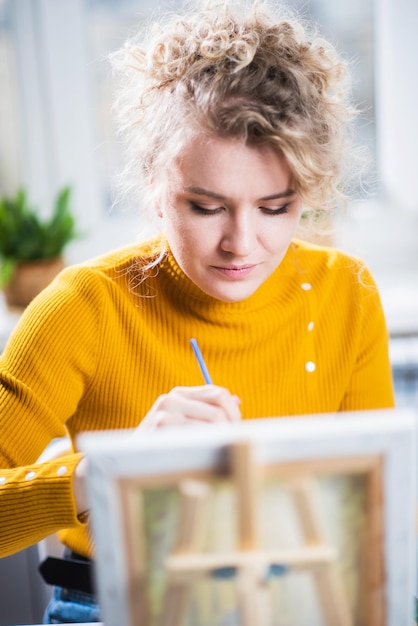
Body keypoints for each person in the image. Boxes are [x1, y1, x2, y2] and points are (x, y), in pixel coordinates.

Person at [0, 1, 394, 622]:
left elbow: (376, 509)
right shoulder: (84, 305)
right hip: (113, 603)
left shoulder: (347, 292)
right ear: (154, 186)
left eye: (274, 207)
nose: (242, 244)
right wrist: (113, 469)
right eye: (207, 208)